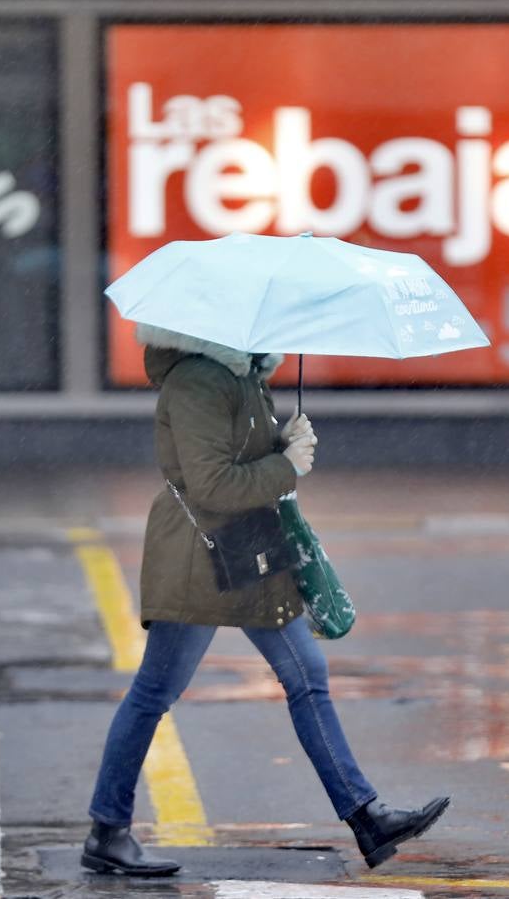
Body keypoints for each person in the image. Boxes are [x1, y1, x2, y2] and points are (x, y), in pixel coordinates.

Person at [81, 324, 449, 876]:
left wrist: (281, 441)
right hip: (198, 559)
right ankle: (107, 831)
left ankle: (366, 815)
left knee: (308, 675)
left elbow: (240, 457)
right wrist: (287, 464)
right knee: (155, 692)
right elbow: (211, 484)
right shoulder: (199, 381)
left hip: (250, 550)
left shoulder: (244, 373)